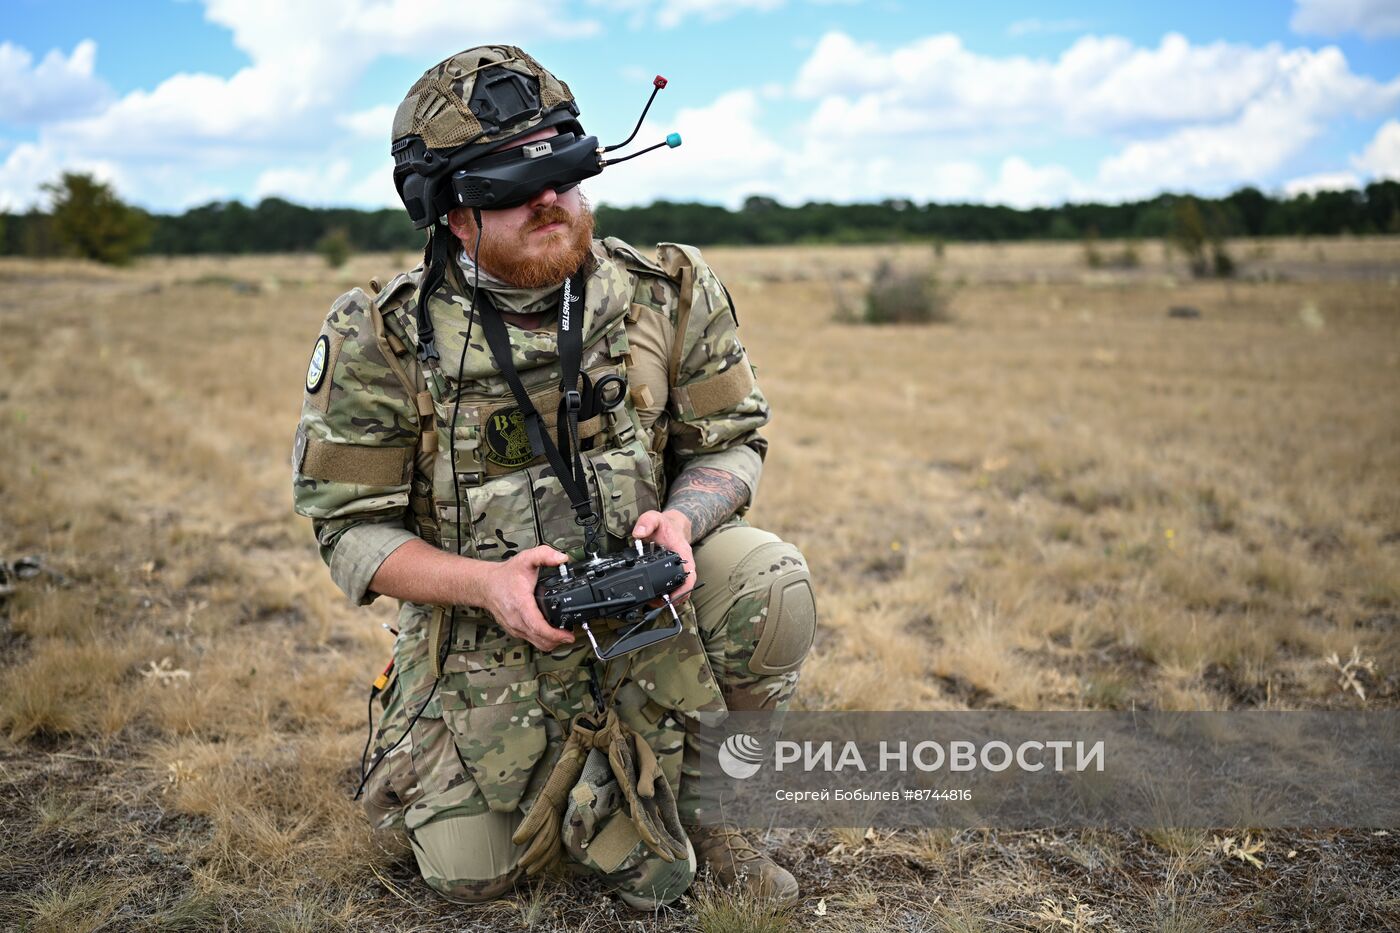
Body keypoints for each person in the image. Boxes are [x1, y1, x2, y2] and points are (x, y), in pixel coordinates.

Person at [291, 45, 816, 912]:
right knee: (475, 876)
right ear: (453, 214)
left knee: (770, 581)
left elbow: (732, 442)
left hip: (653, 609)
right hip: (483, 633)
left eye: (565, 171)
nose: (550, 200)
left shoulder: (667, 292)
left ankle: (718, 815)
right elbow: (348, 525)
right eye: (510, 185)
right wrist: (488, 585)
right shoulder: (380, 339)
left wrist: (684, 518)